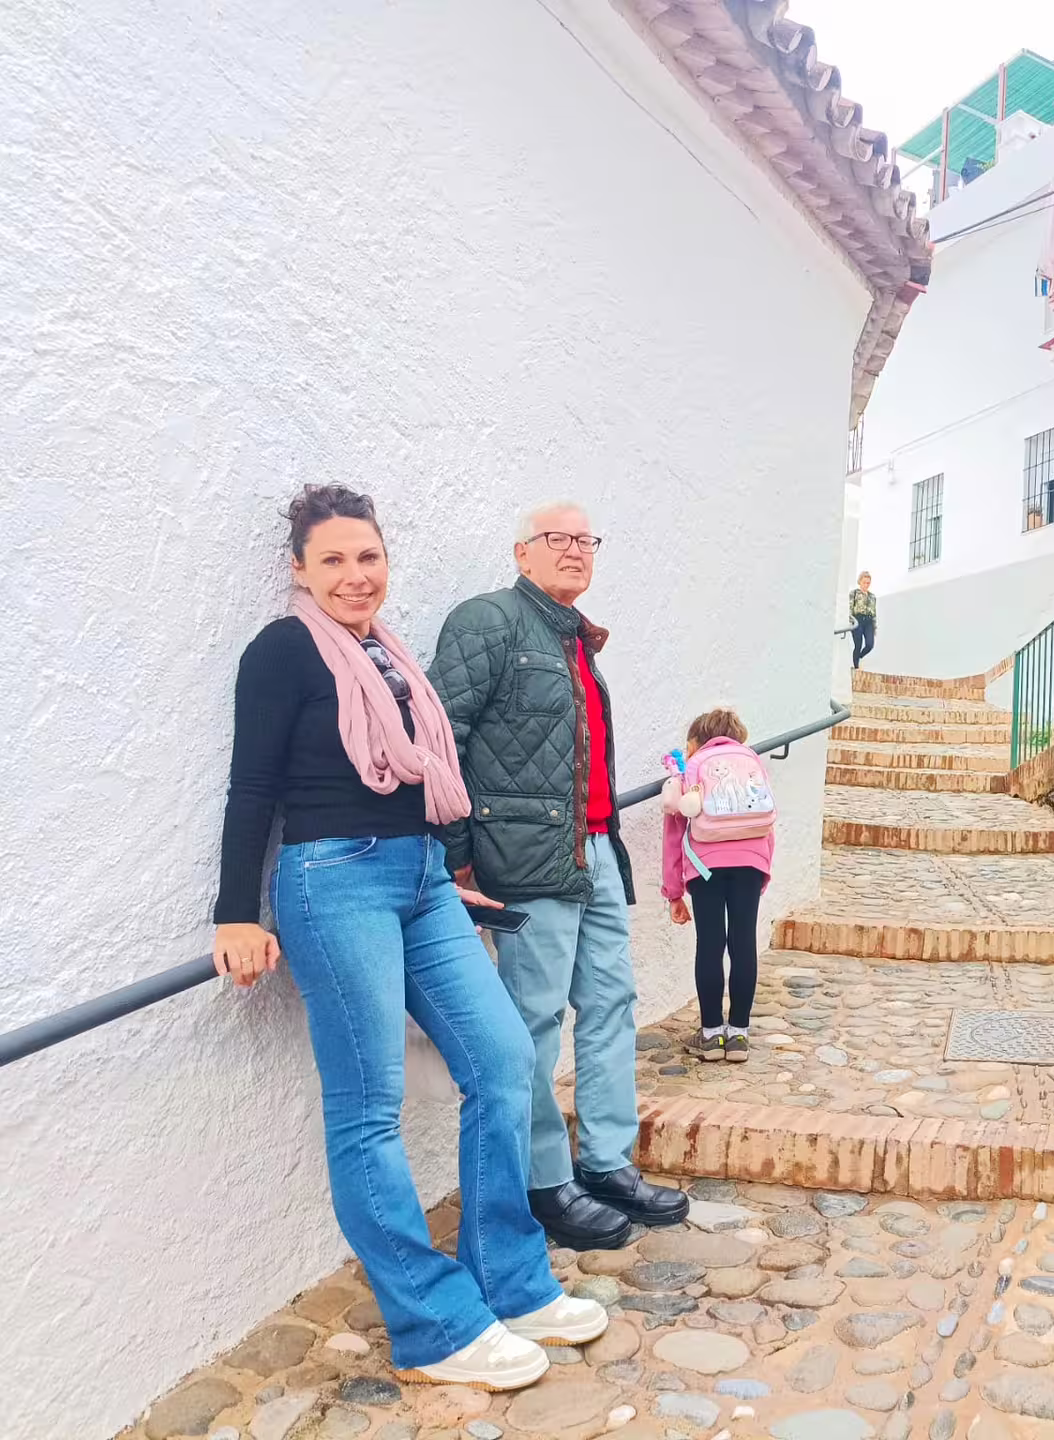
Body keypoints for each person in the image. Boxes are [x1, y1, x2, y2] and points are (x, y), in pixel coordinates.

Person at [213, 485, 604, 1392]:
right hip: (333, 881)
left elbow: (422, 772)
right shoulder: (282, 650)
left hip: (424, 877)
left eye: (369, 558)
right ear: (301, 572)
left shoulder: (384, 650)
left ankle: (509, 1280)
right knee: (367, 1109)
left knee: (506, 1062)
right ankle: (434, 1324)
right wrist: (236, 911)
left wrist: (450, 866)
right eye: (335, 561)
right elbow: (251, 788)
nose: (356, 576)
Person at [429, 502, 688, 1252]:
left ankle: (606, 1163)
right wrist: (455, 855)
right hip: (529, 859)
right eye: (558, 539)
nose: (575, 550)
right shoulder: (490, 620)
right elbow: (442, 737)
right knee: (534, 1022)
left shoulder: (575, 639)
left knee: (612, 1004)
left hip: (599, 848)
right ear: (523, 552)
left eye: (586, 540)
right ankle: (546, 1182)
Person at [662, 708, 776, 1062]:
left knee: (710, 944)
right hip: (750, 862)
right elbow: (767, 818)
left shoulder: (693, 766)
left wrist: (674, 891)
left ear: (696, 740)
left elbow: (674, 831)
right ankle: (739, 1035)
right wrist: (763, 869)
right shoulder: (750, 760)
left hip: (704, 866)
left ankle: (712, 1034)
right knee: (743, 942)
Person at [849, 572, 877, 670]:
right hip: (857, 620)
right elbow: (850, 608)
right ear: (860, 582)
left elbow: (874, 613)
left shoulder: (872, 596)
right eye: (864, 582)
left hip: (868, 622)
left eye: (868, 583)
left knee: (870, 644)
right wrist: (851, 622)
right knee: (858, 644)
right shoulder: (854, 593)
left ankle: (859, 657)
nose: (866, 585)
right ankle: (856, 667)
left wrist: (875, 627)